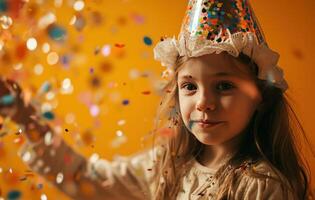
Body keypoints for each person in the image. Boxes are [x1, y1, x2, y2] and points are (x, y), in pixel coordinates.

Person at [0, 0, 312, 199]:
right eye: (190, 86)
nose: (204, 102)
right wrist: (28, 121)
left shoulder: (263, 186)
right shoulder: (168, 167)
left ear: (260, 96)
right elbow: (88, 179)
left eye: (225, 86)